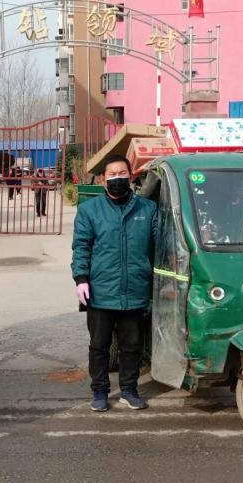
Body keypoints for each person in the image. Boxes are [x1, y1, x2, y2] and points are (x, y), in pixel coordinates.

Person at [70, 154, 158, 412]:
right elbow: (81, 246)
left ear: (131, 176)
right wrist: (81, 278)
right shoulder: (90, 210)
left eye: (122, 173)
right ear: (103, 179)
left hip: (135, 288)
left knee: (132, 346)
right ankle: (99, 391)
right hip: (100, 290)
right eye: (112, 174)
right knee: (99, 346)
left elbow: (161, 245)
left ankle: (129, 390)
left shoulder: (147, 209)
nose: (117, 178)